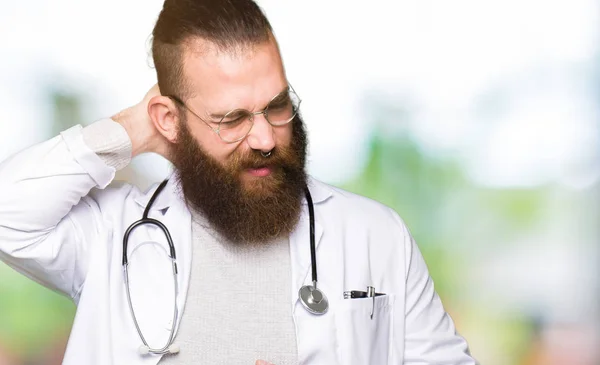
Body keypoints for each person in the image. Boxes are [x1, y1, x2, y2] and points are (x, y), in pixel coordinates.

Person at [0, 0, 478, 364]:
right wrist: (132, 129)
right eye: (231, 119)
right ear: (170, 119)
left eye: (276, 104)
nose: (267, 138)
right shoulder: (112, 234)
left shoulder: (376, 236)